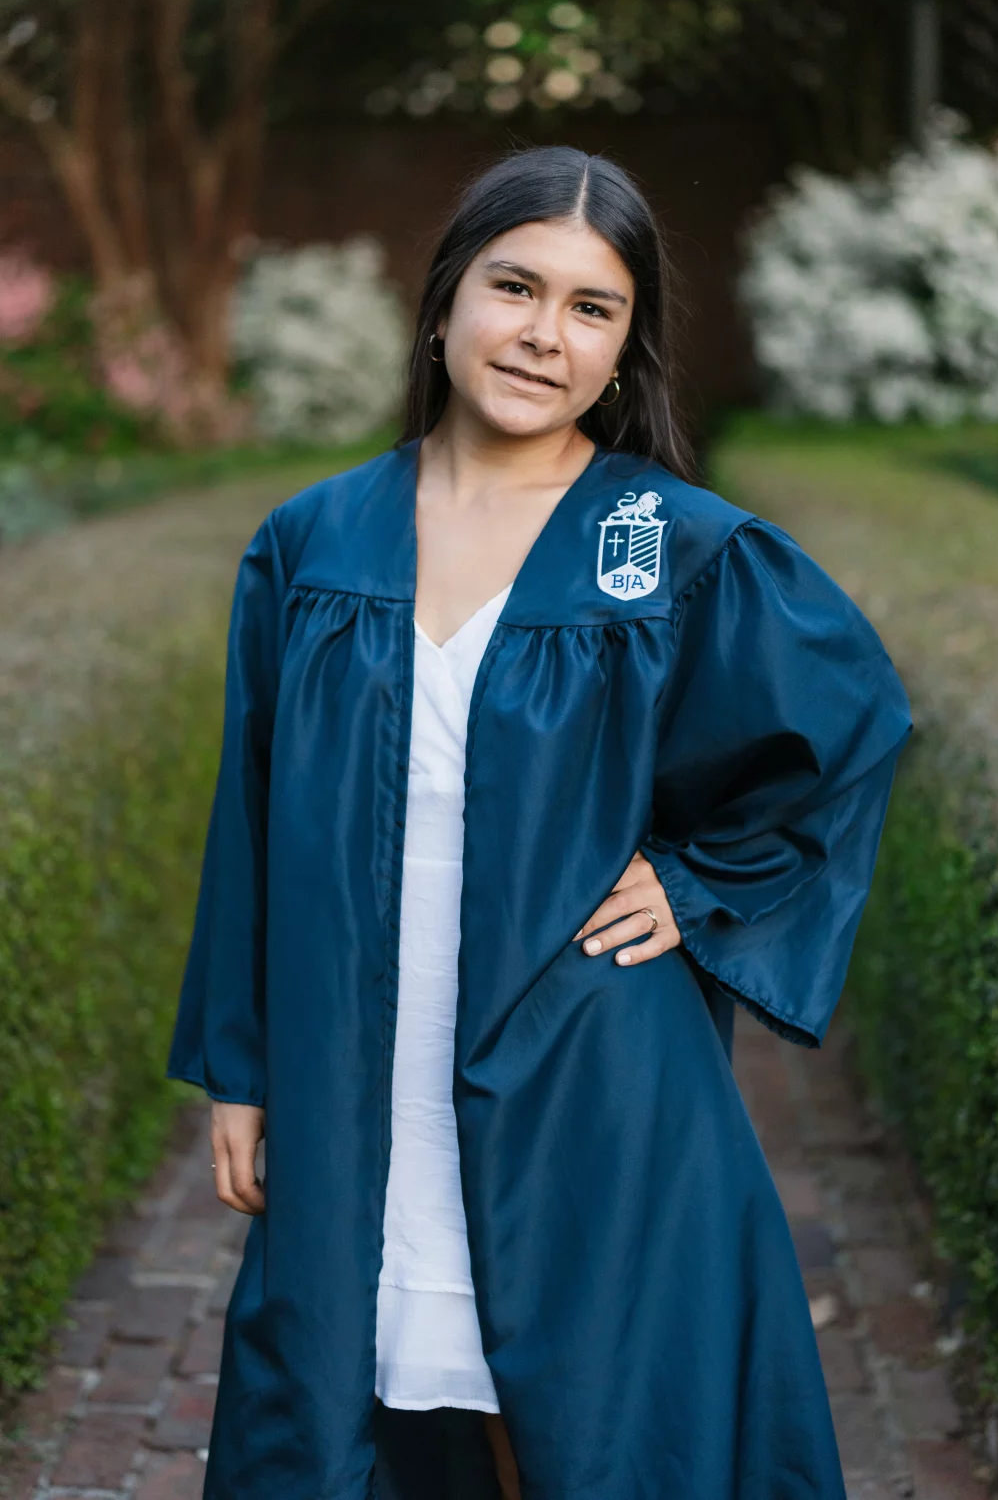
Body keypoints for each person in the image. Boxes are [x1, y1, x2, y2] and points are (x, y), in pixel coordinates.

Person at [166, 145, 912, 1500]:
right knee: (374, 1388)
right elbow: (253, 815)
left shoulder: (665, 543)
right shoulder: (312, 544)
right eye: (517, 286)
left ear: (628, 350)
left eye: (592, 307)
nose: (544, 335)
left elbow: (848, 725)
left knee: (579, 1415)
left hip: (588, 1066)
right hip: (359, 1066)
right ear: (446, 298)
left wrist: (697, 882)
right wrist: (240, 1061)